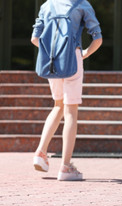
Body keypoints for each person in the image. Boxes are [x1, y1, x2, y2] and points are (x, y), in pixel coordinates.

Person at [31, 0, 102, 181]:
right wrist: (84, 53)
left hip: (52, 63)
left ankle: (41, 152)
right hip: (73, 61)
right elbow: (98, 38)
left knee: (58, 106)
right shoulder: (81, 4)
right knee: (71, 112)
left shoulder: (47, 5)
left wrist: (53, 54)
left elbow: (35, 38)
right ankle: (65, 166)